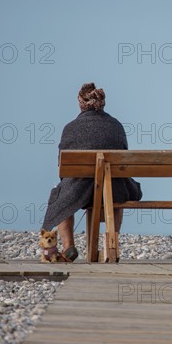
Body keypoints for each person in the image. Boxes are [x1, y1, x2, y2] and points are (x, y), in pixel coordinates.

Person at [40, 82, 142, 261]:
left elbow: (61, 170)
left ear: (80, 102)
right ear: (102, 103)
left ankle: (68, 246)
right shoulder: (116, 126)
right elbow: (123, 156)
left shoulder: (70, 128)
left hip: (79, 190)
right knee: (117, 193)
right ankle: (112, 244)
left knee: (61, 194)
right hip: (113, 188)